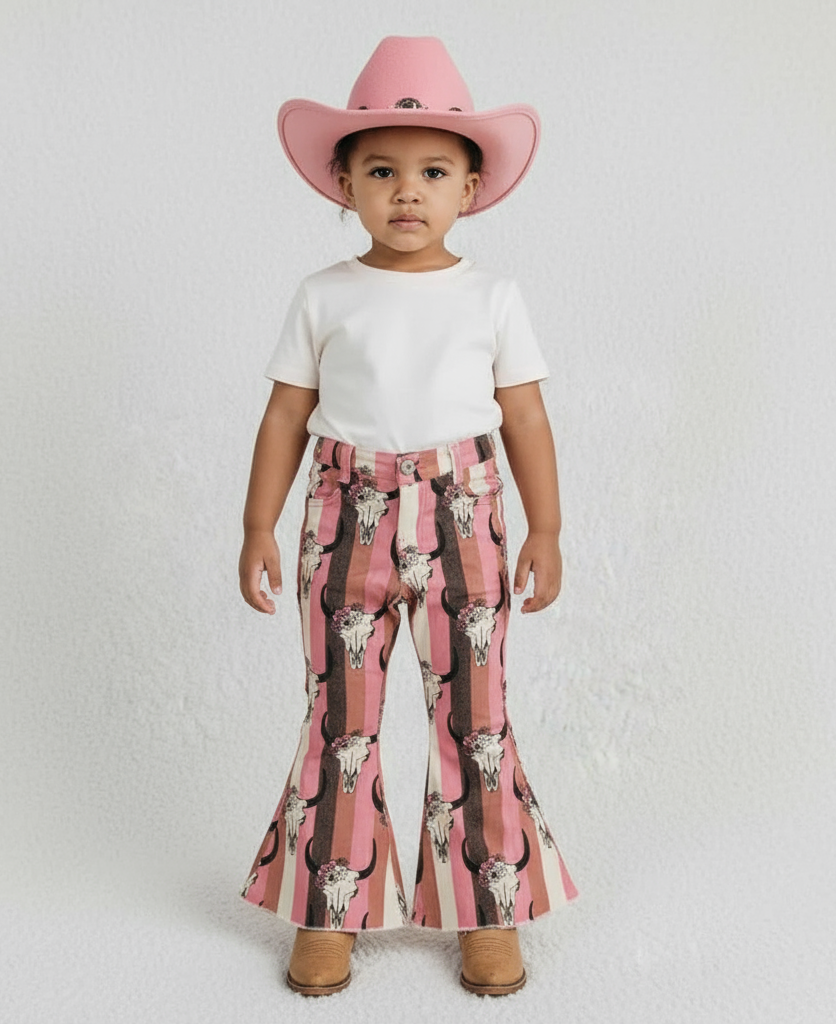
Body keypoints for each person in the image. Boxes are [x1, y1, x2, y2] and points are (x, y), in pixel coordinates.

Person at [238, 36, 578, 997]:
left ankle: (487, 903)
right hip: (344, 519)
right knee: (340, 718)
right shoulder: (324, 295)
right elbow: (285, 416)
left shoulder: (494, 297)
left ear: (471, 188)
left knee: (474, 716)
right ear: (342, 183)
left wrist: (546, 530)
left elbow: (526, 416)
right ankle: (329, 909)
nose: (407, 192)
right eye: (381, 171)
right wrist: (259, 526)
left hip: (466, 517)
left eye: (434, 170)